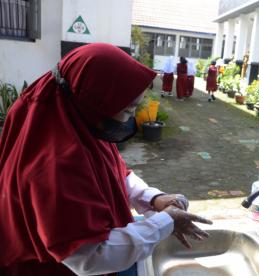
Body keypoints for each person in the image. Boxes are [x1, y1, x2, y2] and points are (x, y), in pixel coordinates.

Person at [0, 43, 212, 276]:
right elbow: (90, 256)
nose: (131, 118)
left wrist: (152, 198)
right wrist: (164, 223)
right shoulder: (56, 165)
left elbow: (115, 172)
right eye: (128, 110)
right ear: (95, 104)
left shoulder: (78, 121)